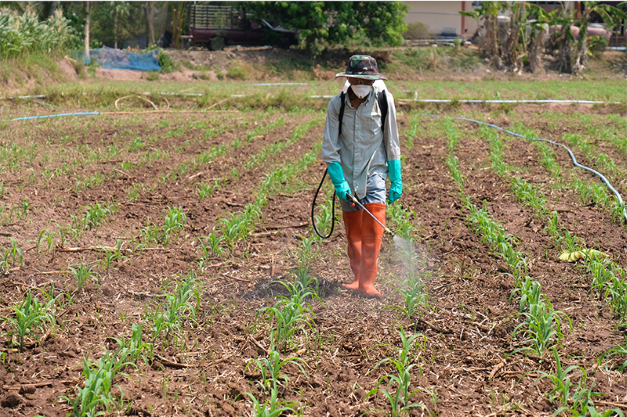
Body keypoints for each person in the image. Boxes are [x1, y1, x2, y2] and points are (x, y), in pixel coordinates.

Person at [322, 55, 402, 299]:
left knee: (374, 223)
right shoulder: (337, 104)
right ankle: (357, 277)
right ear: (349, 79)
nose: (362, 85)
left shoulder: (383, 101)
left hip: (374, 170)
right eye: (358, 79)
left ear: (373, 82)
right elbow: (329, 148)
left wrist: (396, 178)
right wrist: (338, 181)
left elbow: (392, 141)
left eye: (367, 81)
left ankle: (368, 282)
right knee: (353, 230)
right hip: (346, 173)